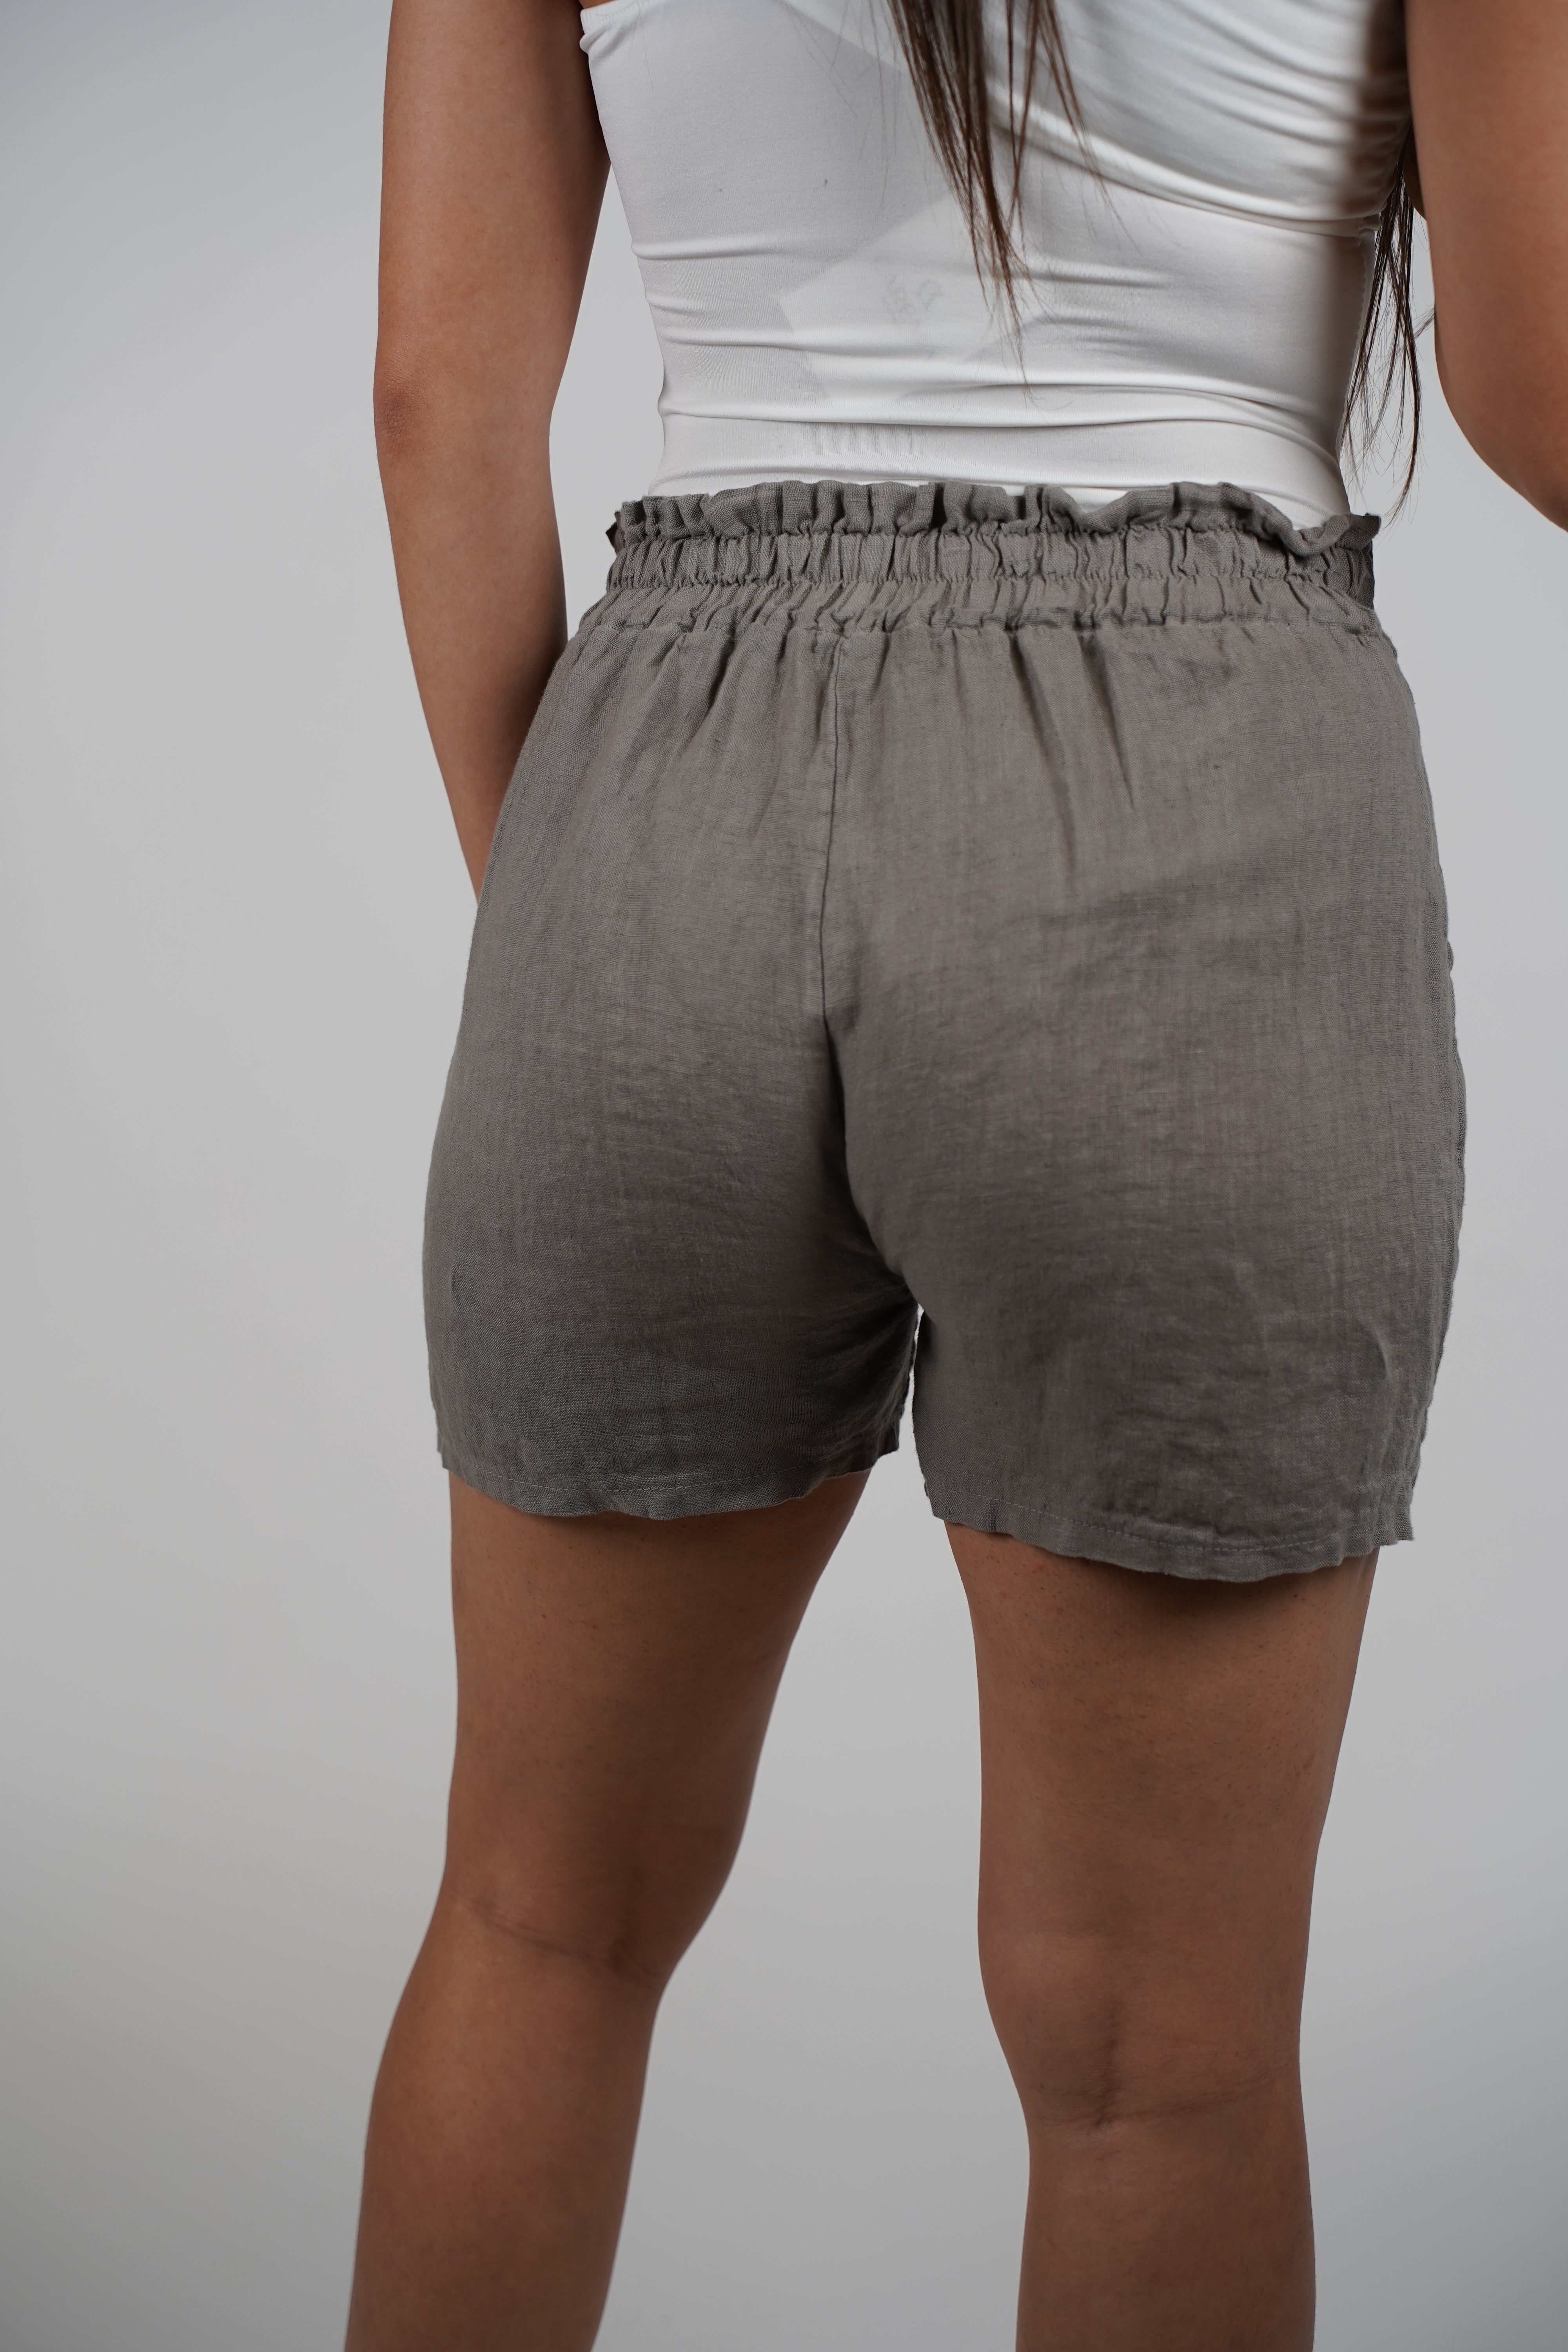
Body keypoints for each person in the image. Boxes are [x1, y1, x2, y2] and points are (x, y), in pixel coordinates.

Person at [349, 2, 1566, 2345]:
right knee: (1156, 2069)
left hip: (662, 782)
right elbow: (1542, 383)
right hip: (1200, 779)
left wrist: (596, 926)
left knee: (538, 1915)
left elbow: (435, 395)